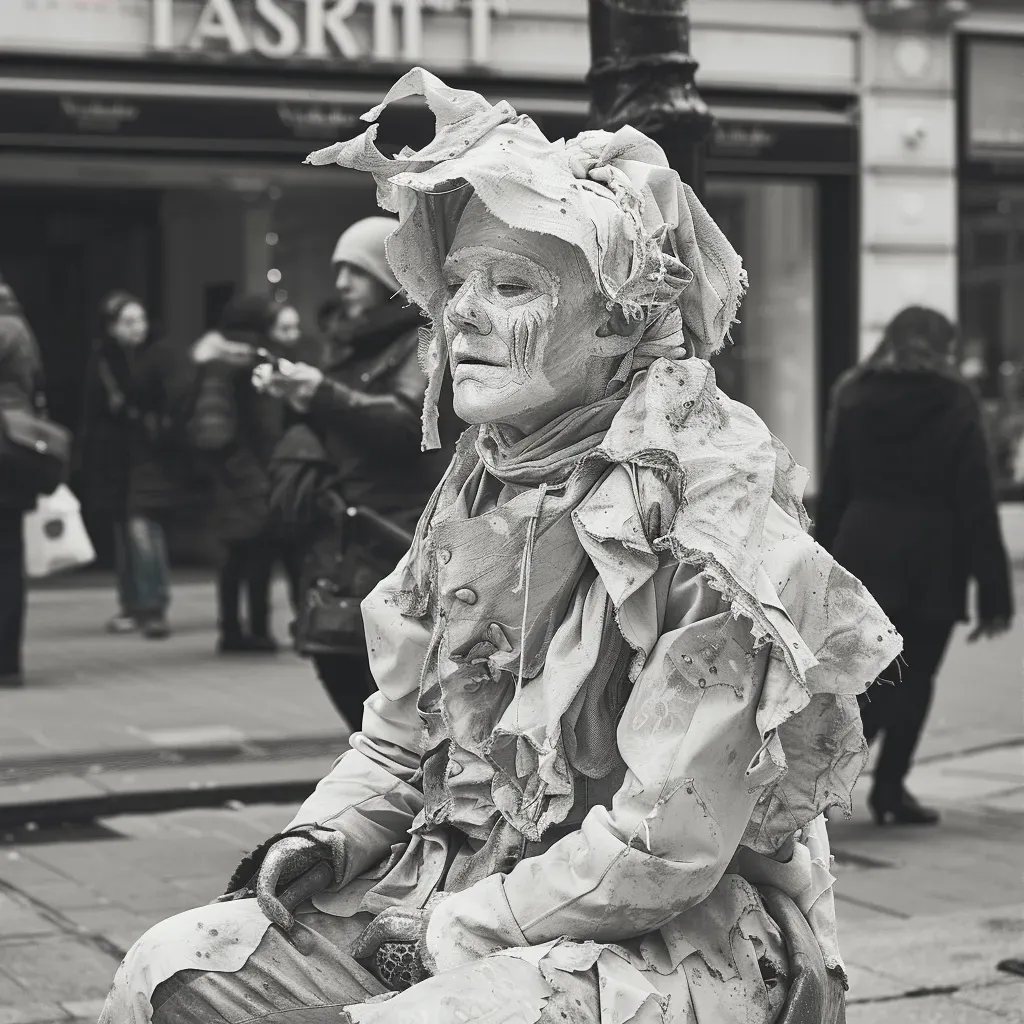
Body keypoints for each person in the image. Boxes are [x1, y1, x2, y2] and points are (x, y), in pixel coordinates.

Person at [99, 70, 901, 1024]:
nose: (461, 314)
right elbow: (402, 737)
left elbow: (666, 848)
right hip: (458, 889)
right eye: (458, 283)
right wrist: (333, 834)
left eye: (510, 284)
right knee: (172, 970)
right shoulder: (477, 490)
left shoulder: (711, 526)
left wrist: (451, 933)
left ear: (617, 322)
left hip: (672, 940)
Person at [817, 305, 1013, 826]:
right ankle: (889, 788)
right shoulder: (954, 397)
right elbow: (975, 497)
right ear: (943, 346)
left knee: (864, 678)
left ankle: (825, 782)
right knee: (917, 676)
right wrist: (994, 590)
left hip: (863, 551)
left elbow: (835, 487)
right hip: (932, 555)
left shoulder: (853, 392)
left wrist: (817, 565)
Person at [258, 216, 452, 729]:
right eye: (339, 271)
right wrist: (298, 396)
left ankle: (412, 782)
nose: (341, 284)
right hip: (343, 528)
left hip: (393, 528)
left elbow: (409, 422)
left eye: (357, 272)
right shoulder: (346, 341)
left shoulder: (422, 339)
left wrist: (320, 392)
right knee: (335, 652)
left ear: (392, 275)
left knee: (379, 669)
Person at [78, 292, 197, 640]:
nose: (136, 328)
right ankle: (134, 603)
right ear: (111, 327)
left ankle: (151, 604)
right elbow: (96, 412)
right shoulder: (104, 360)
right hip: (117, 457)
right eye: (128, 322)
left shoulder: (157, 355)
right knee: (127, 530)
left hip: (149, 455)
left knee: (141, 525)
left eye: (140, 320)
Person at [190, 294, 294, 654]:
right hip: (250, 470)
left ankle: (233, 630)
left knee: (236, 555)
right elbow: (252, 423)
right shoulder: (247, 360)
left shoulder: (218, 359)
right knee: (258, 553)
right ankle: (255, 631)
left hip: (233, 472)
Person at [0, 275, 46, 687]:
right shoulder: (20, 328)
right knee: (10, 557)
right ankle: (8, 662)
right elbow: (35, 385)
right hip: (13, 449)